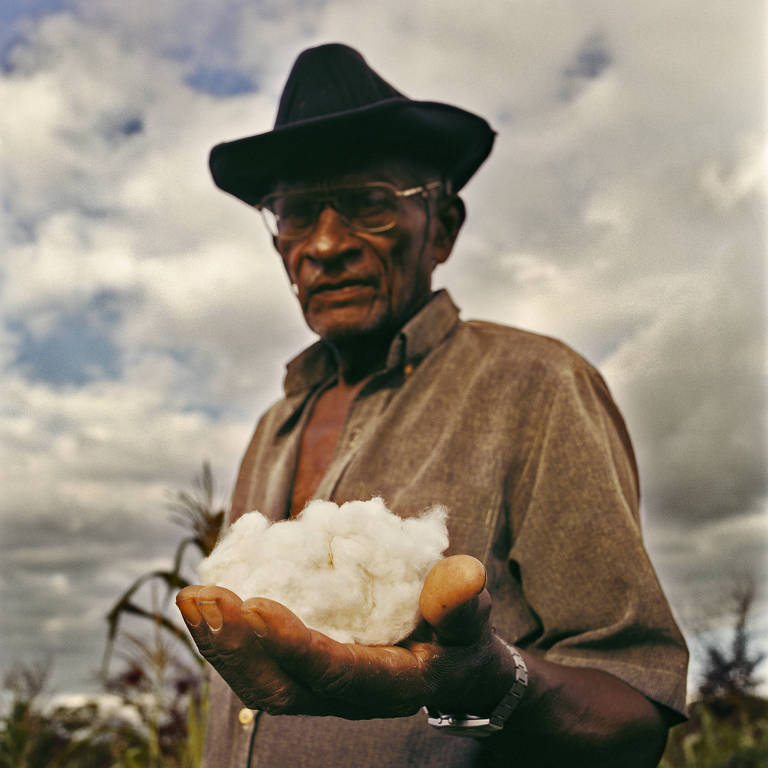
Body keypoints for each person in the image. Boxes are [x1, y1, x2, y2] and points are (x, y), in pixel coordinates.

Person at [176, 43, 688, 767]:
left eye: (368, 205)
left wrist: (488, 682)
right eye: (295, 213)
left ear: (442, 228)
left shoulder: (536, 384)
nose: (325, 243)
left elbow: (634, 713)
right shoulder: (273, 426)